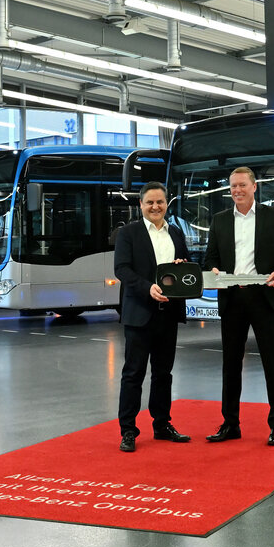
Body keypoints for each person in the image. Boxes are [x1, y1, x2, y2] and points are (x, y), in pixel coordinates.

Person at [203, 166, 274, 446]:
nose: (237, 191)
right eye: (233, 186)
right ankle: (230, 424)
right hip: (232, 298)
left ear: (254, 187)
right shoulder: (220, 220)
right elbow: (210, 257)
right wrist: (212, 270)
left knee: (272, 362)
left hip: (263, 297)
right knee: (230, 365)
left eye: (242, 185)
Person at [113, 181, 192, 453]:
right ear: (141, 205)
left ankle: (162, 425)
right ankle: (128, 431)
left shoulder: (176, 233)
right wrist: (148, 287)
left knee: (163, 374)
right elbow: (121, 269)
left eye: (160, 202)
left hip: (168, 314)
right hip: (139, 314)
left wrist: (181, 268)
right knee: (133, 373)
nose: (155, 207)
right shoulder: (128, 233)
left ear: (166, 204)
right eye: (150, 202)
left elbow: (185, 265)